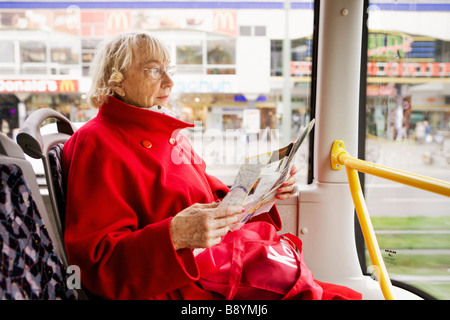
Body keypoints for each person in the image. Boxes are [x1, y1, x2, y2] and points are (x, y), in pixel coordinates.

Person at [62, 32, 298, 299]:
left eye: (168, 69)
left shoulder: (169, 135)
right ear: (116, 82)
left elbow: (215, 202)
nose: (169, 82)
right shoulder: (97, 142)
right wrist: (174, 235)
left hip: (220, 266)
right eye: (153, 70)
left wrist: (263, 189)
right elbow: (95, 265)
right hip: (182, 287)